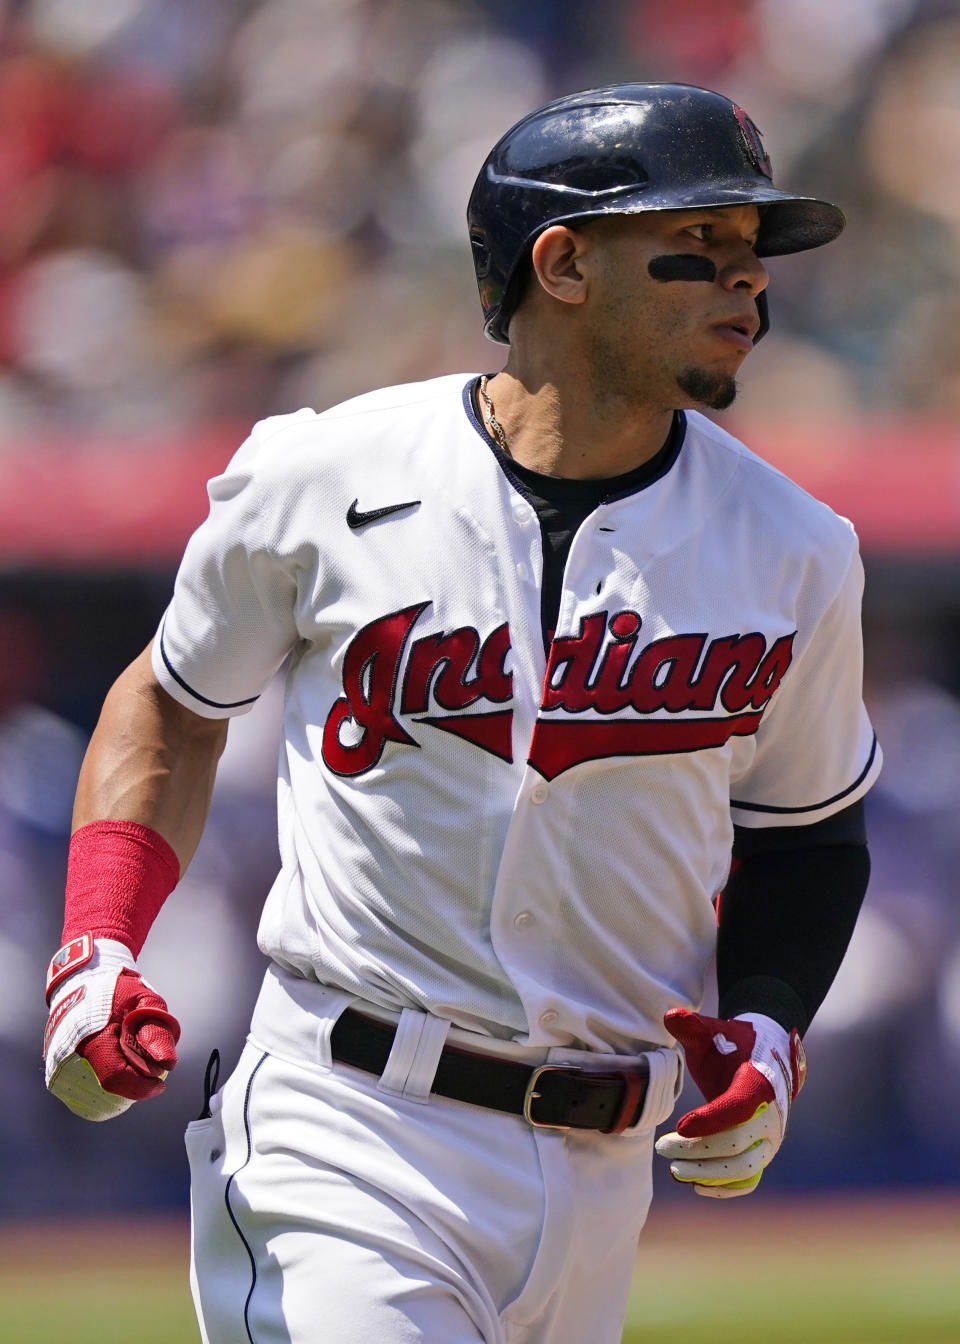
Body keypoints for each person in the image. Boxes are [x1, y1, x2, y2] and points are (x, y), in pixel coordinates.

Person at [43, 83, 881, 1344]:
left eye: (753, 258)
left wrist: (770, 1024)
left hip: (606, 1170)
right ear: (563, 263)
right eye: (698, 248)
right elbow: (172, 702)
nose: (746, 286)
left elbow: (809, 831)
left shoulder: (797, 550)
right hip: (349, 1124)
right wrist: (99, 942)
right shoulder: (330, 475)